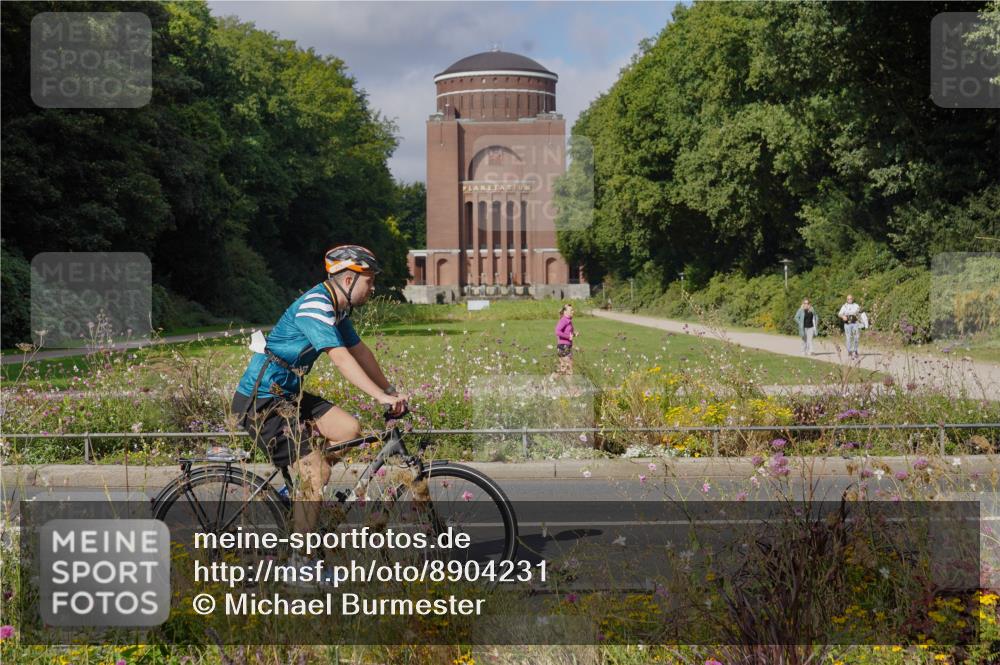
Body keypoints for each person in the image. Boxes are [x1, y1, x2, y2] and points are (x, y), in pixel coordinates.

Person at [230, 245, 408, 537]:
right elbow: (341, 358)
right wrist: (380, 397)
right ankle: (301, 557)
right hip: (260, 401)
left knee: (349, 430)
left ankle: (301, 493)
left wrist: (389, 389)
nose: (373, 287)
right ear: (348, 280)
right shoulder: (315, 306)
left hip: (288, 396)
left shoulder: (338, 310)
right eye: (370, 280)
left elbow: (360, 352)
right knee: (316, 472)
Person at [555, 303, 578, 374]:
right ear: (565, 312)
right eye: (571, 310)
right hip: (563, 346)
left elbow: (568, 333)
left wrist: (574, 334)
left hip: (566, 346)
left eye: (573, 310)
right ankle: (553, 378)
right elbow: (557, 331)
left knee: (564, 368)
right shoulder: (564, 320)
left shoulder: (568, 321)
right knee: (569, 368)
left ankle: (551, 379)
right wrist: (568, 337)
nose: (573, 311)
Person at [838, 294, 862, 359]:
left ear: (852, 299)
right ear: (847, 300)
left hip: (855, 323)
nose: (849, 300)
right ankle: (849, 351)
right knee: (848, 338)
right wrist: (843, 316)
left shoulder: (856, 305)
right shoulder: (844, 306)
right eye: (848, 299)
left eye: (850, 298)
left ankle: (855, 350)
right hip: (847, 324)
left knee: (856, 337)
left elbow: (860, 313)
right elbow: (839, 314)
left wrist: (859, 316)